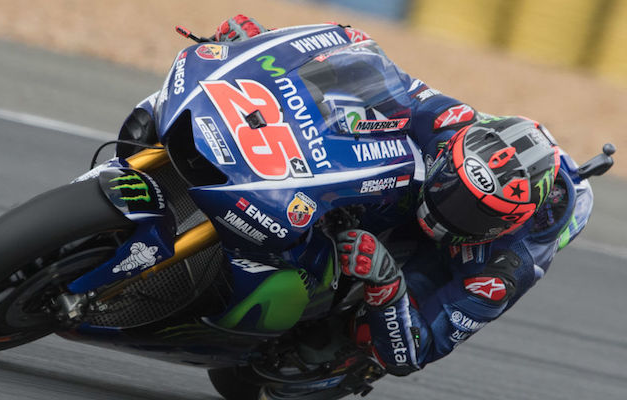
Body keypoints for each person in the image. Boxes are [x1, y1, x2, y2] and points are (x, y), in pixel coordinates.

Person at [124, 15, 595, 399]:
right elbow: (359, 72)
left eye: (473, 214)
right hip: (411, 181)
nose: (448, 211)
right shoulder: (452, 122)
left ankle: (335, 352)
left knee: (354, 336)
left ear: (505, 224)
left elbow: (416, 352)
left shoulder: (505, 265)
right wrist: (259, 49)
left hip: (438, 261)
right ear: (455, 149)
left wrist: (387, 286)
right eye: (452, 185)